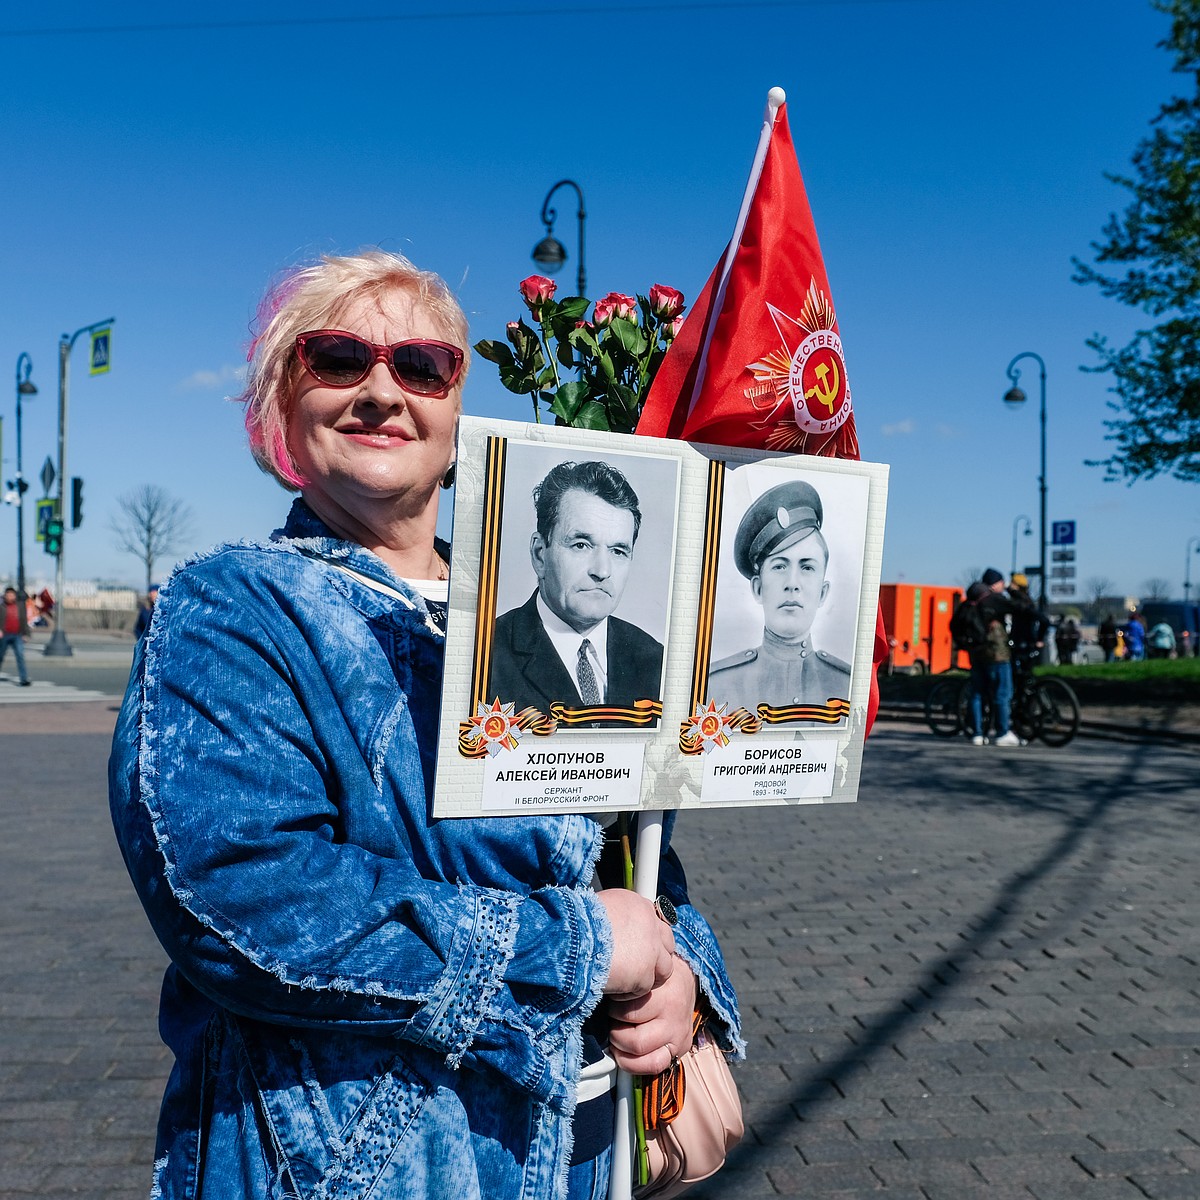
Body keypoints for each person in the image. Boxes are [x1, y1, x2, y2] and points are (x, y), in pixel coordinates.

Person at [108, 250, 741, 1200]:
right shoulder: (234, 608)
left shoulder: (528, 611)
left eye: (421, 366)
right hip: (360, 1165)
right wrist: (574, 951)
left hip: (574, 1147)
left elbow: (627, 854)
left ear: (456, 410)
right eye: (336, 359)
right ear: (285, 399)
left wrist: (677, 975)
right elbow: (240, 899)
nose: (380, 392)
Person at [489, 460, 664, 718]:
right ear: (540, 554)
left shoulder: (655, 660)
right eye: (581, 545)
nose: (602, 571)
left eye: (618, 551)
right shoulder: (485, 656)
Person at [708, 479, 850, 711]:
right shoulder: (716, 685)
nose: (792, 584)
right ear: (758, 588)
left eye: (807, 567)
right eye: (780, 566)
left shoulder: (846, 683)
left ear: (822, 593)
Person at [966, 568, 1021, 747]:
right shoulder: (995, 600)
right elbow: (1021, 608)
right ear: (995, 583)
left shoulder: (971, 602)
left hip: (976, 653)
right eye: (1001, 583)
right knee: (1002, 692)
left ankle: (977, 733)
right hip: (996, 654)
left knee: (976, 693)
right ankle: (1002, 732)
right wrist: (1014, 591)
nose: (1003, 586)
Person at [1008, 573, 1047, 678]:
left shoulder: (1022, 605)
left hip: (1022, 645)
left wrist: (1040, 639)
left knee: (1018, 676)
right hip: (1026, 644)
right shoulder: (1028, 601)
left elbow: (1044, 620)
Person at [0, 587, 32, 686]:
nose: (10, 597)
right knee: (0, 657)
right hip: (4, 635)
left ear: (15, 596)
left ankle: (23, 679)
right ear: (5, 596)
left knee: (20, 656)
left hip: (17, 635)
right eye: (8, 595)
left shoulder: (20, 606)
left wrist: (26, 634)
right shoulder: (1, 607)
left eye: (12, 594)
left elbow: (24, 621)